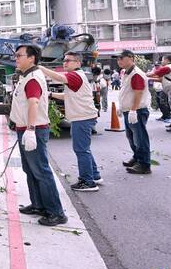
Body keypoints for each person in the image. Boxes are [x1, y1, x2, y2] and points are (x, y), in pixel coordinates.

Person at [11, 44, 67, 226]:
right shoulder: (26, 76)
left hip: (33, 129)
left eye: (19, 55)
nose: (16, 58)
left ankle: (56, 212)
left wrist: (31, 129)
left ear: (31, 58)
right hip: (24, 129)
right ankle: (38, 205)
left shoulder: (33, 78)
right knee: (30, 169)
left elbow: (33, 103)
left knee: (41, 171)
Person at [40, 52, 103, 192]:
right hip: (84, 116)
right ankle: (94, 175)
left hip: (82, 118)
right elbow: (68, 95)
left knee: (81, 149)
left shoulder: (74, 75)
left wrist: (41, 68)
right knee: (84, 148)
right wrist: (50, 94)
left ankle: (88, 182)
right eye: (64, 60)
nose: (65, 63)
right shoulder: (77, 76)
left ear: (78, 63)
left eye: (69, 60)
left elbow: (60, 77)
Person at [115, 50, 152, 175]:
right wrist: (122, 106)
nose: (119, 61)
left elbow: (138, 93)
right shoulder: (125, 72)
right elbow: (126, 91)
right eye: (117, 59)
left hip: (137, 110)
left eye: (121, 58)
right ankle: (137, 158)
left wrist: (133, 110)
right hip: (129, 110)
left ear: (131, 58)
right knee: (131, 137)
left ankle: (144, 164)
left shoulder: (136, 74)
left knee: (140, 138)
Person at [148, 55, 171, 137]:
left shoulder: (167, 67)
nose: (161, 61)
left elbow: (154, 74)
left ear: (167, 60)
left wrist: (144, 75)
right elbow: (161, 79)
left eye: (162, 60)